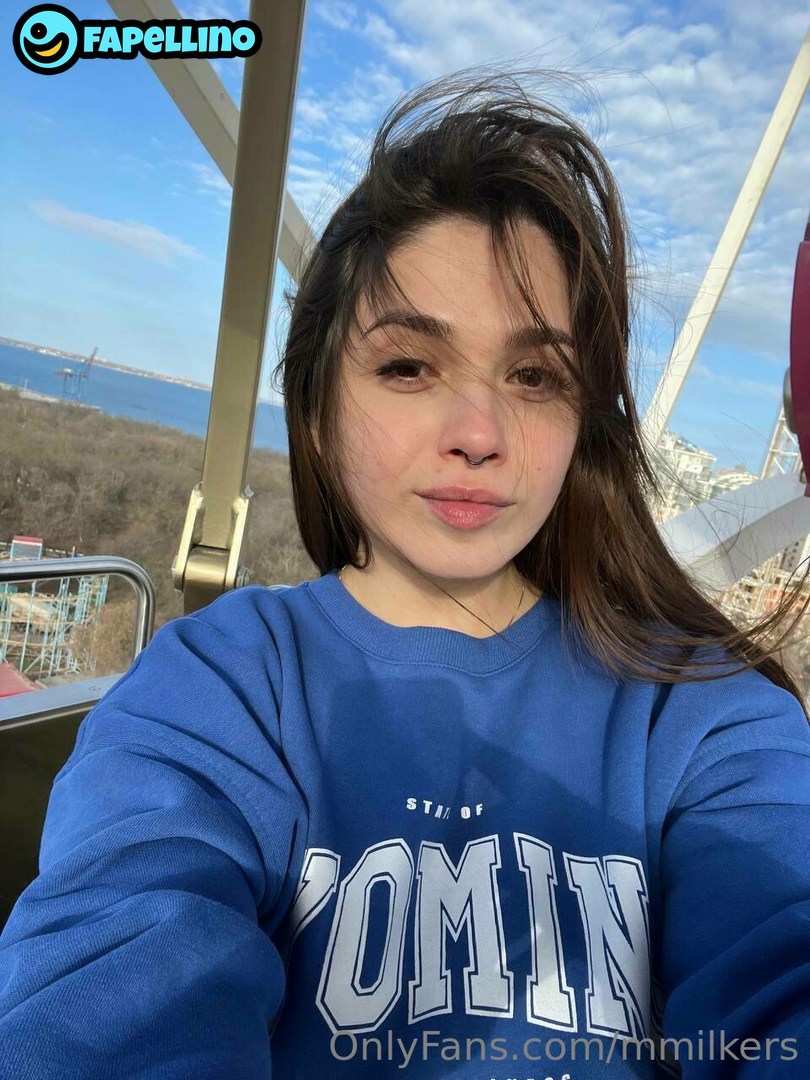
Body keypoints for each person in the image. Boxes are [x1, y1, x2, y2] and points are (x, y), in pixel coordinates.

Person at [1, 65, 809, 1079]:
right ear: (318, 406)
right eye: (408, 366)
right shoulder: (216, 690)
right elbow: (119, 983)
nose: (478, 433)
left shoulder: (695, 710)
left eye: (535, 376)